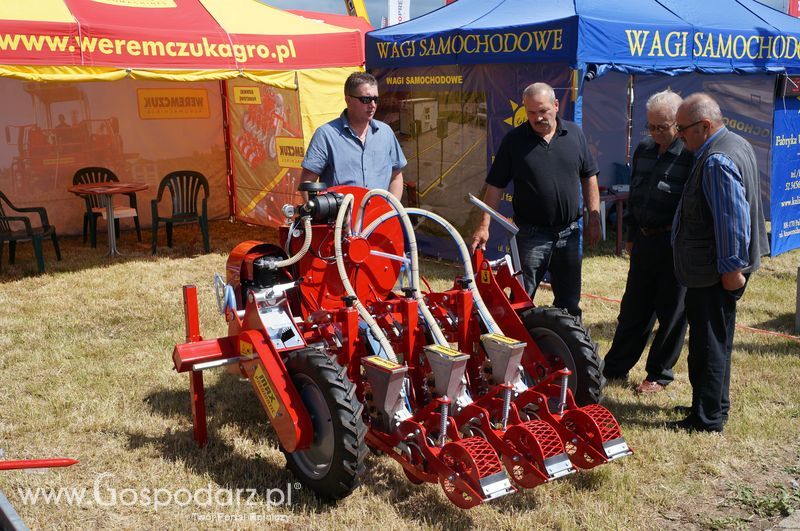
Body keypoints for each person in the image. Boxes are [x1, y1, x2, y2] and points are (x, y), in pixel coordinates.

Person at [667, 93, 769, 433]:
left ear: (704, 125)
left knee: (707, 346)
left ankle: (706, 418)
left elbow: (731, 222)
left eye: (682, 129)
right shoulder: (734, 142)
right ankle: (711, 404)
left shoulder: (716, 159)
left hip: (716, 271)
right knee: (716, 341)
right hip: (718, 269)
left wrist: (730, 271)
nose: (679, 135)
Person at [470, 82, 601, 317]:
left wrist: (594, 217)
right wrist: (484, 225)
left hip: (569, 234)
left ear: (556, 106)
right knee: (521, 300)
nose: (538, 117)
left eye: (543, 111)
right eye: (531, 112)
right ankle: (519, 349)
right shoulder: (514, 141)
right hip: (531, 235)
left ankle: (567, 347)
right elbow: (496, 186)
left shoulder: (575, 134)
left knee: (570, 302)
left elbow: (589, 177)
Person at [602, 90, 693, 394]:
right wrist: (630, 234)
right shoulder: (643, 148)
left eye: (661, 127)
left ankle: (659, 374)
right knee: (632, 310)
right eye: (650, 127)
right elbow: (635, 195)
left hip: (674, 245)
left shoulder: (690, 152)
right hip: (644, 241)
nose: (655, 134)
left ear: (678, 124)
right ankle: (615, 367)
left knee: (672, 313)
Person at [301, 72, 406, 198]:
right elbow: (306, 183)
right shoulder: (325, 135)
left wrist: (390, 210)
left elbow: (396, 177)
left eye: (376, 99)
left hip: (379, 216)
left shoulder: (386, 132)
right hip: (341, 216)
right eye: (366, 99)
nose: (372, 105)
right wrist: (319, 213)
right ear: (348, 100)